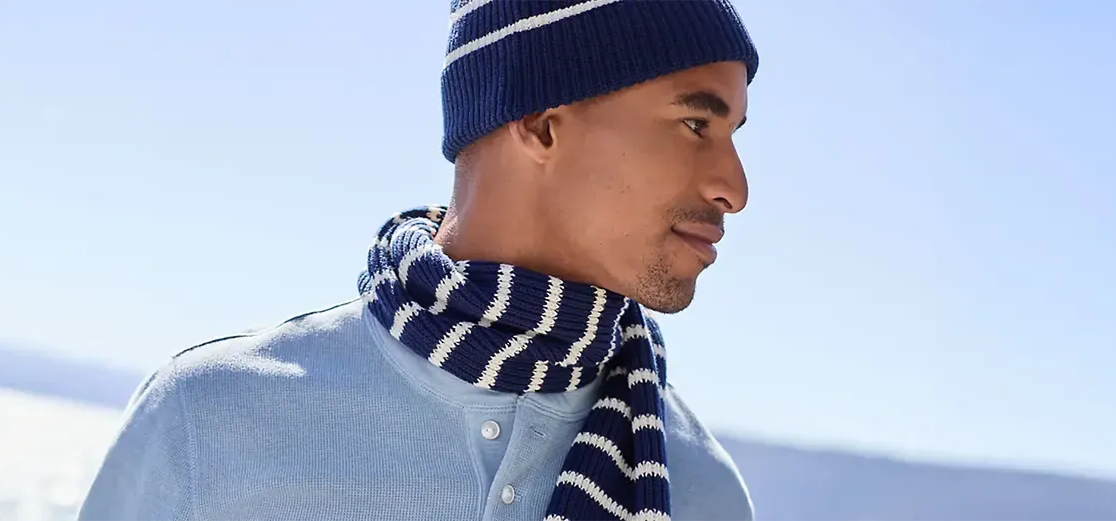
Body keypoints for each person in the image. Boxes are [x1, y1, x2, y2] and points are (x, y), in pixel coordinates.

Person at [78, 0, 760, 519]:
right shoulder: (209, 418)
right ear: (541, 123)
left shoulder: (700, 486)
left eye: (731, 135)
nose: (734, 186)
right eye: (695, 124)